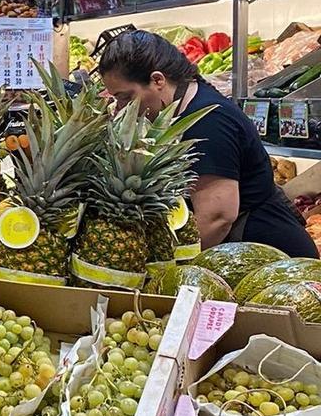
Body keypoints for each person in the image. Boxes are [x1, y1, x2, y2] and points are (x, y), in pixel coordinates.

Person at [99, 30, 318, 258]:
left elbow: (217, 218)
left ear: (157, 80)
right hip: (242, 250)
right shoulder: (188, 104)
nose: (120, 110)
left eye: (125, 97)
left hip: (266, 254)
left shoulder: (207, 122)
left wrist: (167, 266)